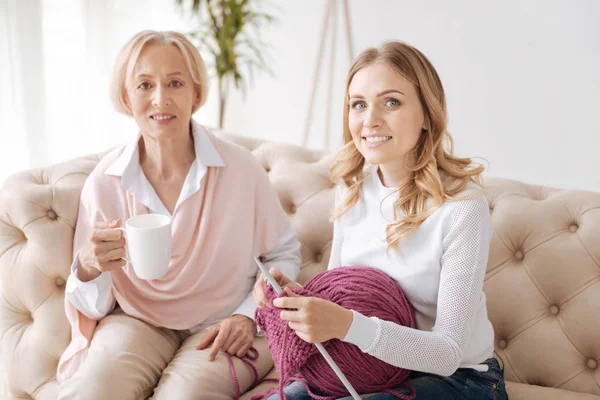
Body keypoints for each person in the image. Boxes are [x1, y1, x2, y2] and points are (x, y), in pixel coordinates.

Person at [254, 41, 509, 400]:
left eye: (391, 102)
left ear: (426, 115)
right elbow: (342, 296)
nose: (370, 120)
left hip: (462, 380)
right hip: (373, 371)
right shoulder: (353, 191)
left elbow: (447, 354)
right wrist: (296, 298)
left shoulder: (462, 208)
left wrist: (345, 325)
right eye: (358, 105)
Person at [57, 30, 301, 400]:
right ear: (126, 96)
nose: (160, 98)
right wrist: (89, 267)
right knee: (93, 391)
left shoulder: (240, 169)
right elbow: (94, 305)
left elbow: (284, 254)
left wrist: (247, 316)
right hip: (138, 320)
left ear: (196, 94)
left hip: (223, 322)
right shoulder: (105, 182)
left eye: (175, 83)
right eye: (144, 85)